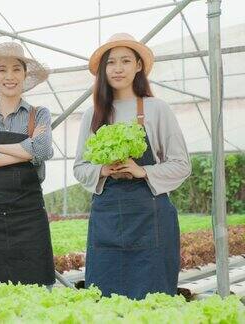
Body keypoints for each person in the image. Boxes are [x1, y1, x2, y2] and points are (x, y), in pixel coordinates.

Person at [74, 33, 191, 299]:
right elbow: (80, 167)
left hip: (150, 215)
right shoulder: (93, 113)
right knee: (104, 296)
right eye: (111, 62)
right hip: (107, 217)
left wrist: (143, 171)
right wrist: (103, 170)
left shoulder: (157, 108)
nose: (118, 68)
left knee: (153, 296)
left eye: (125, 61)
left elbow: (181, 164)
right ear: (103, 69)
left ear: (138, 66)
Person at [0, 42, 55, 286]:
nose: (9, 76)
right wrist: (27, 149)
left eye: (16, 69)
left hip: (30, 215)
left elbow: (45, 150)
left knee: (37, 287)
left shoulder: (40, 114)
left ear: (25, 74)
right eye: (2, 70)